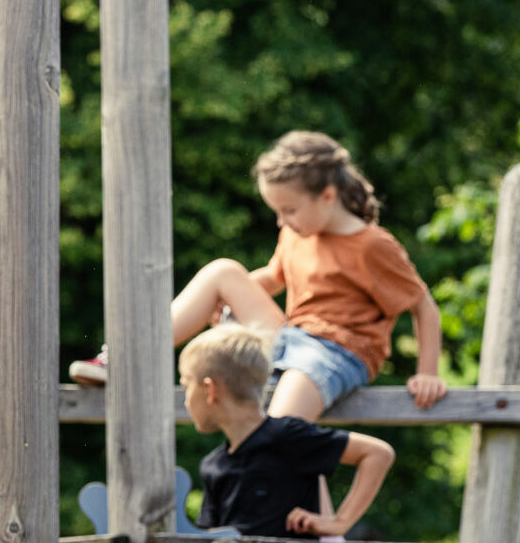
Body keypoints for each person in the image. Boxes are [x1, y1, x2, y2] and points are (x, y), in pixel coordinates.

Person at [73, 130, 447, 422]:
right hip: (290, 338)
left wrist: (427, 372)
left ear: (328, 196)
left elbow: (423, 306)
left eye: (289, 210)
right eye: (277, 212)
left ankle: (315, 519)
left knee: (279, 429)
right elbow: (272, 277)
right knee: (222, 271)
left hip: (337, 352)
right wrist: (222, 303)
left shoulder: (371, 246)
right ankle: (124, 358)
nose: (282, 221)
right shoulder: (295, 234)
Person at [180, 325, 394, 538]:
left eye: (187, 385)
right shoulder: (213, 466)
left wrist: (339, 522)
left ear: (210, 390)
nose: (186, 399)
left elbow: (377, 453)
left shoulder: (287, 436)